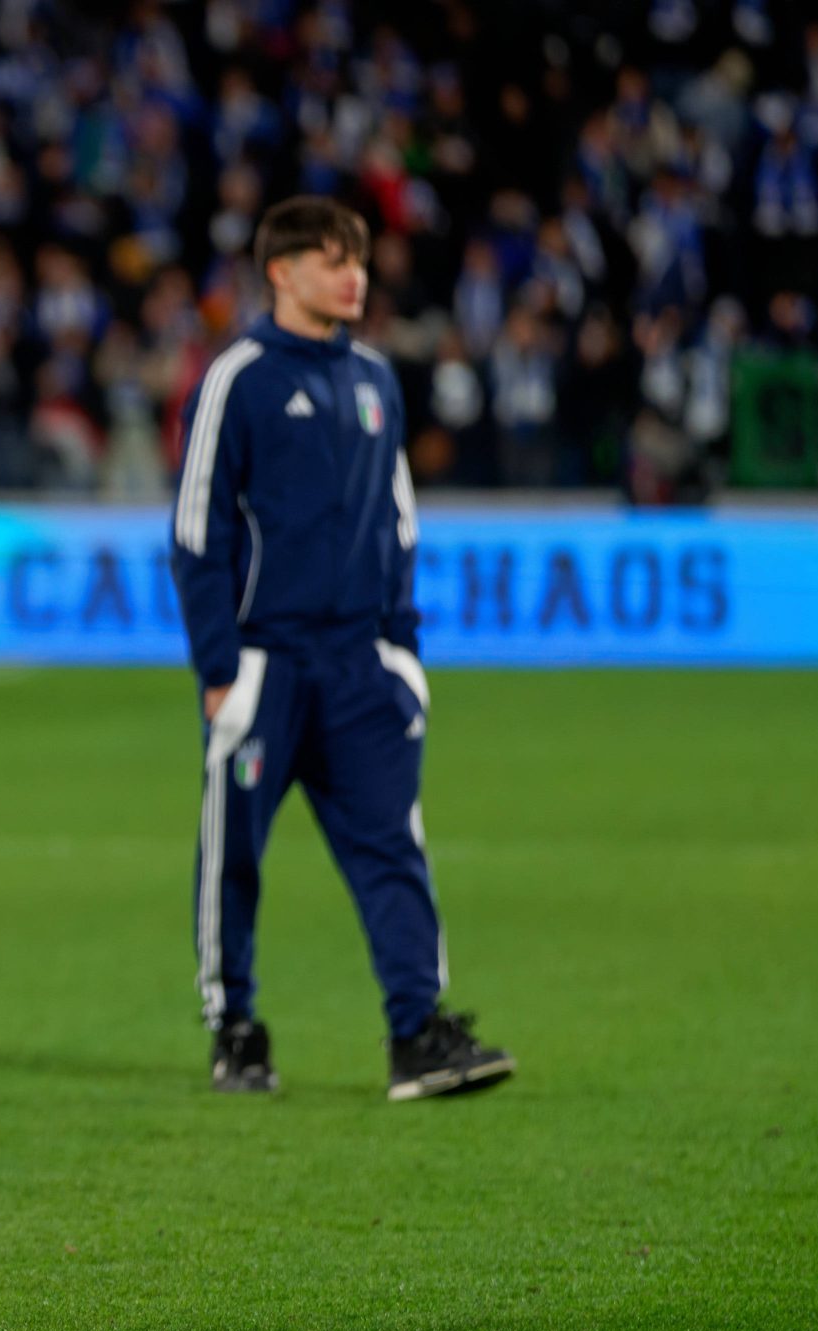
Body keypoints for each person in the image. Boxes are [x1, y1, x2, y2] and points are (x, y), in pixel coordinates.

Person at [168, 195, 513, 1102]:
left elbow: (399, 522)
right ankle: (234, 1028)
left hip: (363, 667)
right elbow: (199, 532)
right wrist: (218, 669)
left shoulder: (375, 380)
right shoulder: (236, 378)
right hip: (265, 664)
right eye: (331, 258)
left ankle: (417, 1036)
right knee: (234, 852)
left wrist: (403, 651)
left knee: (393, 847)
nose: (353, 274)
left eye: (358, 258)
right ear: (281, 272)